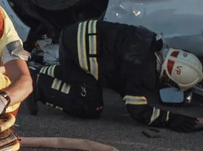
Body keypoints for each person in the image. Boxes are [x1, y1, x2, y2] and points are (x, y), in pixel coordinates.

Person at [25, 20, 203, 132]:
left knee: (84, 78)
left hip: (75, 33)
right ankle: (38, 85)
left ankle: (42, 72)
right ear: (169, 79)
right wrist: (172, 119)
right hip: (76, 53)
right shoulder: (141, 71)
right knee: (91, 106)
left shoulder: (152, 40)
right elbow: (139, 111)